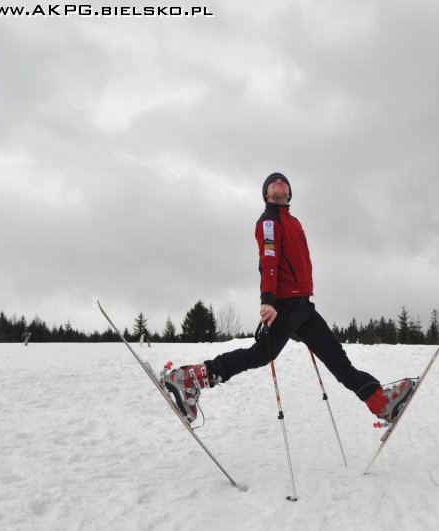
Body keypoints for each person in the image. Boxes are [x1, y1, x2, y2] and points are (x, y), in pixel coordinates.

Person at [163, 172, 414, 426]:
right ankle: (191, 378)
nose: (279, 181)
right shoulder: (269, 222)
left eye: (284, 181)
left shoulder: (294, 222)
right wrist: (268, 299)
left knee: (337, 359)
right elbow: (268, 260)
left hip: (303, 306)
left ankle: (381, 402)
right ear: (266, 194)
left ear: (290, 193)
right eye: (273, 181)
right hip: (284, 305)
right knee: (261, 354)